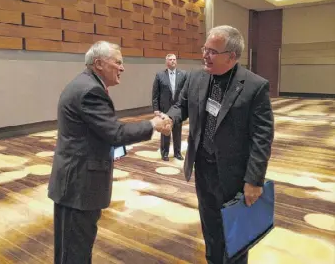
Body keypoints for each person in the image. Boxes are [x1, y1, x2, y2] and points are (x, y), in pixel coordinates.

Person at [47, 41, 171, 264]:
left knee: (69, 247)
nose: (122, 68)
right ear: (99, 64)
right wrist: (153, 124)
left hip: (73, 180)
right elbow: (116, 132)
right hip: (79, 184)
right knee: (75, 251)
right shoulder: (90, 91)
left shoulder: (85, 84)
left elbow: (100, 131)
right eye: (118, 62)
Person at [163, 25, 274, 264]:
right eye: (205, 48)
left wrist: (254, 180)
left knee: (236, 234)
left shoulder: (255, 86)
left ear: (232, 56)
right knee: (211, 229)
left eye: (213, 51)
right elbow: (180, 105)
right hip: (204, 169)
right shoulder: (196, 77)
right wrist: (170, 118)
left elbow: (262, 137)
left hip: (235, 175)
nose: (205, 55)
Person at [152, 54, 187, 161]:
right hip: (165, 109)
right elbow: (155, 93)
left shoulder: (183, 74)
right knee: (165, 131)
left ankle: (177, 153)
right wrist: (156, 109)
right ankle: (165, 153)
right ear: (166, 62)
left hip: (178, 109)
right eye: (170, 60)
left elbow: (186, 92)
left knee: (177, 131)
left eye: (174, 59)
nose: (173, 61)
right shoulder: (160, 75)